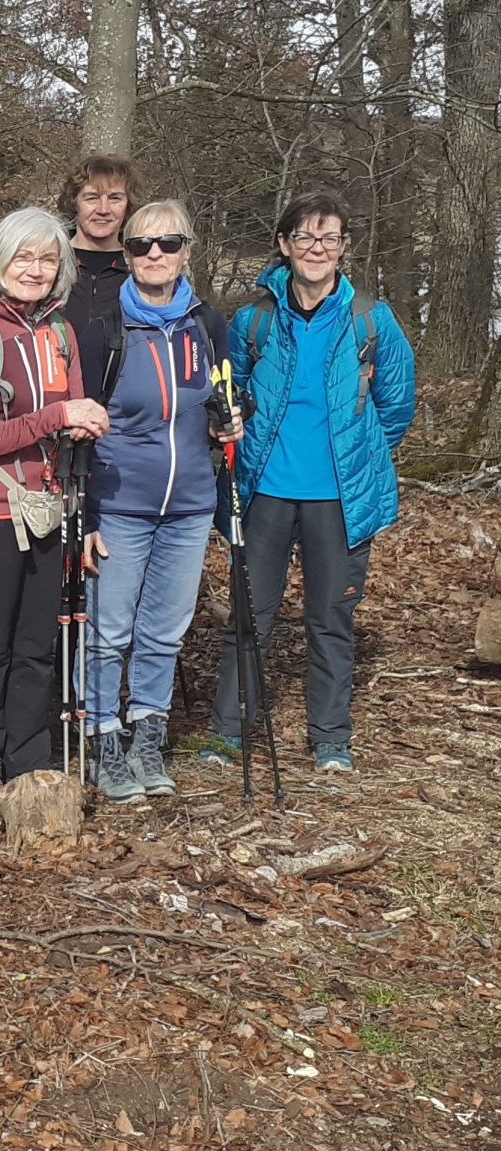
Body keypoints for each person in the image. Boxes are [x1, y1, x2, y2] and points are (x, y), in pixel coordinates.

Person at [200, 191, 415, 774]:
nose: (317, 248)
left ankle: (330, 739)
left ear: (344, 248)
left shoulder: (373, 319)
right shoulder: (254, 320)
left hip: (341, 500)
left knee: (331, 620)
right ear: (283, 245)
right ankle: (228, 734)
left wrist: (353, 455)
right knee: (251, 615)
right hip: (264, 491)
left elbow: (395, 408)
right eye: (305, 237)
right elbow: (231, 396)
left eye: (329, 238)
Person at [74, 200, 235, 803]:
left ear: (187, 251)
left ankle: (148, 735)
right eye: (142, 246)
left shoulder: (208, 324)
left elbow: (218, 403)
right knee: (110, 631)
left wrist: (227, 428)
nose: (155, 255)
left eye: (168, 244)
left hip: (190, 503)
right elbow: (83, 429)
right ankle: (104, 739)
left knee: (165, 631)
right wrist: (86, 515)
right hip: (120, 502)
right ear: (126, 256)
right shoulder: (105, 330)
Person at [0, 209, 108, 803]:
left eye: (47, 259)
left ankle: (28, 760)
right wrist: (58, 417)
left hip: (52, 507)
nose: (35, 270)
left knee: (38, 643)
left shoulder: (60, 333)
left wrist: (82, 426)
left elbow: (74, 417)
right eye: (23, 257)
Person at [59, 156, 140, 337]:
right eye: (92, 198)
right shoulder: (52, 262)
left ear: (128, 205)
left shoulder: (138, 268)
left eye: (114, 198)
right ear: (75, 202)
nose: (103, 209)